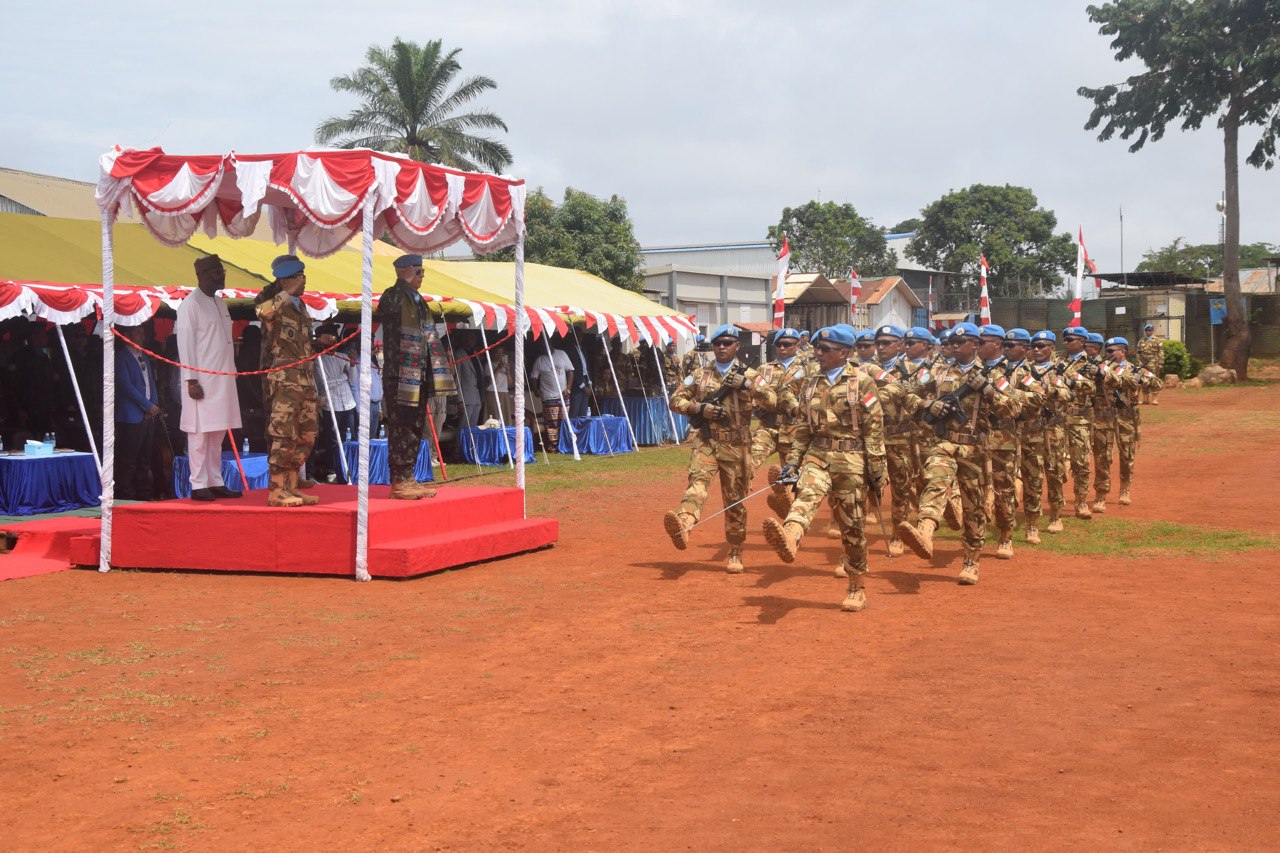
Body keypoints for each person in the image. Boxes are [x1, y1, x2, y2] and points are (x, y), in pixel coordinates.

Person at [762, 325, 886, 612]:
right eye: (817, 348)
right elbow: (804, 427)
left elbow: (874, 430)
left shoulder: (862, 382)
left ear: (844, 353)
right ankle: (790, 537)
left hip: (852, 460)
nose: (818, 353)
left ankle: (856, 586)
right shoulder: (810, 382)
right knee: (806, 495)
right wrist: (792, 463)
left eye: (825, 350)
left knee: (852, 526)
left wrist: (877, 471)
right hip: (817, 455)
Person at [896, 322, 1021, 585]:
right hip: (944, 442)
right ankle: (925, 531)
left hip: (975, 447)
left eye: (959, 342)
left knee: (973, 505)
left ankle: (971, 561)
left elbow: (1013, 408)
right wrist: (929, 404)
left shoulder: (993, 375)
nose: (952, 345)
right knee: (935, 480)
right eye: (951, 342)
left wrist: (987, 389)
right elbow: (906, 395)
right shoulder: (936, 371)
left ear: (974, 345)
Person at [664, 324, 774, 574]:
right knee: (697, 483)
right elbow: (675, 400)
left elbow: (772, 401)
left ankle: (735, 551)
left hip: (737, 445)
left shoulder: (751, 374)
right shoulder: (701, 373)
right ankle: (684, 523)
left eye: (727, 343)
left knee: (734, 501)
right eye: (717, 343)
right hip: (707, 441)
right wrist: (698, 409)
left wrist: (747, 384)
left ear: (737, 346)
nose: (722, 347)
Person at [174, 255, 243, 501]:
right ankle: (198, 484)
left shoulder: (220, 303)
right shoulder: (190, 305)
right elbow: (185, 345)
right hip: (200, 382)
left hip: (222, 380)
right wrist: (191, 380)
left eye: (222, 270)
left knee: (218, 433)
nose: (222, 274)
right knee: (200, 434)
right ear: (202, 275)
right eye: (217, 271)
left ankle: (215, 480)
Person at [375, 254, 443, 499]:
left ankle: (409, 476)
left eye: (422, 272)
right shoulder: (393, 295)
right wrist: (403, 281)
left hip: (419, 373)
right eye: (419, 271)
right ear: (407, 270)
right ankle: (398, 480)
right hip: (399, 374)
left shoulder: (419, 301)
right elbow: (386, 309)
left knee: (415, 426)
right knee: (400, 426)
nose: (422, 276)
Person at [255, 255, 321, 508]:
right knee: (283, 433)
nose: (304, 281)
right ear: (286, 280)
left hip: (305, 377)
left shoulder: (300, 305)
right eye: (299, 277)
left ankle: (292, 485)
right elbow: (260, 312)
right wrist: (285, 292)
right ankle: (277, 489)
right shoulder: (275, 302)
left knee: (306, 433)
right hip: (285, 379)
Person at [750, 328, 810, 518]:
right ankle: (743, 485)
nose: (783, 348)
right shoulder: (764, 369)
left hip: (794, 429)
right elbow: (753, 396)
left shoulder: (808, 370)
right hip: (767, 427)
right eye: (779, 344)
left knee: (792, 476)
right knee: (750, 460)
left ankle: (788, 511)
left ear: (797, 345)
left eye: (788, 344)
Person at [1024, 330, 1070, 535]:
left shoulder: (1059, 371)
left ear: (1052, 348)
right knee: (1031, 477)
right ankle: (1032, 522)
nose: (1037, 349)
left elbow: (1067, 394)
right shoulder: (1024, 369)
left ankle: (1056, 515)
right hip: (1030, 430)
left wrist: (1047, 389)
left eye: (1042, 346)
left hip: (1052, 430)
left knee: (1054, 473)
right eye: (1034, 346)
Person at [114, 324, 160, 501]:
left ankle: (144, 493)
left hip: (147, 415)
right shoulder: (121, 357)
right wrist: (147, 405)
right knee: (129, 458)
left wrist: (153, 403)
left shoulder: (143, 356)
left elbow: (151, 382)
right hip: (131, 415)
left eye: (142, 332)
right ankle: (126, 493)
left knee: (144, 458)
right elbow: (126, 386)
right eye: (138, 332)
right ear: (127, 335)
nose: (142, 335)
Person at [1104, 337, 1143, 506]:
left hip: (1127, 418)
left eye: (1112, 351)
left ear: (1122, 352)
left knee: (1127, 455)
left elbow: (1153, 382)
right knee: (1103, 456)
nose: (1108, 354)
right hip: (1105, 417)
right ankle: (1101, 493)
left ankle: (1125, 490)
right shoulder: (1102, 368)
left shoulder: (1134, 369)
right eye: (1107, 351)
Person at [529, 342, 574, 449]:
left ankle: (564, 445)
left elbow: (570, 371)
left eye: (544, 346)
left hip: (564, 395)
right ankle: (553, 446)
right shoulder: (540, 360)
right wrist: (536, 390)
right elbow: (533, 377)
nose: (542, 349)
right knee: (552, 423)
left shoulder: (561, 354)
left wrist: (568, 389)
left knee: (564, 422)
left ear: (550, 345)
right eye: (541, 348)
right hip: (549, 396)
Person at [1135, 323, 1164, 405]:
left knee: (1153, 380)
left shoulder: (1157, 340)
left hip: (1153, 363)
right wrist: (1138, 361)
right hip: (1143, 364)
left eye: (1150, 330)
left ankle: (1154, 399)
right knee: (1143, 380)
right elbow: (1138, 352)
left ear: (1153, 331)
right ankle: (1145, 399)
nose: (1148, 332)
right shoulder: (1141, 340)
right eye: (1147, 331)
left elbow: (1161, 352)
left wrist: (1160, 363)